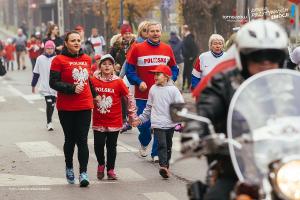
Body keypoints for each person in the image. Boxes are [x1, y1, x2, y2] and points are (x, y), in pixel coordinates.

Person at [182, 19, 288, 200]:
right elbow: (205, 109)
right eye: (257, 56)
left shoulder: (290, 85)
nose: (265, 62)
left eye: (273, 56)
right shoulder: (223, 83)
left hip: (284, 165)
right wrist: (195, 130)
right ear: (243, 58)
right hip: (237, 167)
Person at [49, 31, 97, 187]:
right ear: (66, 43)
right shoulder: (58, 60)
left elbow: (89, 81)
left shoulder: (86, 59)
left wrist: (95, 95)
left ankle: (83, 173)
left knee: (82, 140)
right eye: (73, 40)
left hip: (84, 105)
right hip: (66, 106)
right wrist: (71, 88)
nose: (77, 43)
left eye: (78, 40)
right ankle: (69, 166)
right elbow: (53, 82)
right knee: (70, 139)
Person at [126, 21, 179, 162]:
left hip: (162, 95)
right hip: (143, 94)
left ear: (161, 32)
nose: (155, 33)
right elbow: (129, 71)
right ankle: (144, 141)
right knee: (144, 126)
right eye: (152, 31)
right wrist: (139, 82)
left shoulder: (167, 49)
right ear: (147, 33)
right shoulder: (137, 48)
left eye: (157, 31)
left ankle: (156, 153)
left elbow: (174, 68)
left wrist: (170, 80)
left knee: (159, 124)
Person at [90, 54, 137, 180]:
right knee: (98, 145)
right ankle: (101, 164)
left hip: (114, 120)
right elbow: (87, 95)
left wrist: (132, 115)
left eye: (110, 64)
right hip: (99, 120)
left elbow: (129, 97)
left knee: (112, 146)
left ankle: (110, 169)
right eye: (104, 64)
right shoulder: (94, 81)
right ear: (100, 67)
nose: (107, 66)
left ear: (113, 67)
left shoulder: (118, 81)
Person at [133, 65, 184, 178]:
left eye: (158, 74)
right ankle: (163, 166)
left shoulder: (173, 90)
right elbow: (148, 108)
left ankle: (166, 166)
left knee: (168, 146)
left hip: (170, 123)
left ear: (166, 77)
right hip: (157, 123)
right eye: (154, 74)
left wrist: (181, 121)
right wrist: (140, 119)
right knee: (162, 144)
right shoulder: (153, 89)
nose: (155, 77)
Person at [31, 40, 57, 131]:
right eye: (48, 48)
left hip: (55, 87)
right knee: (49, 103)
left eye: (51, 48)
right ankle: (49, 122)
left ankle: (49, 121)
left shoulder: (57, 58)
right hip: (45, 87)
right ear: (45, 49)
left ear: (54, 49)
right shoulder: (40, 59)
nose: (49, 50)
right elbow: (36, 74)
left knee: (53, 104)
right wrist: (33, 85)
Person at [181, 24, 198, 91]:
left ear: (185, 30)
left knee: (188, 73)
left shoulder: (189, 38)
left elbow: (194, 49)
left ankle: (189, 87)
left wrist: (192, 57)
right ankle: (186, 86)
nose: (182, 31)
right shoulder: (186, 37)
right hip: (186, 58)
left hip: (188, 59)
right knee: (185, 73)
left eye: (183, 30)